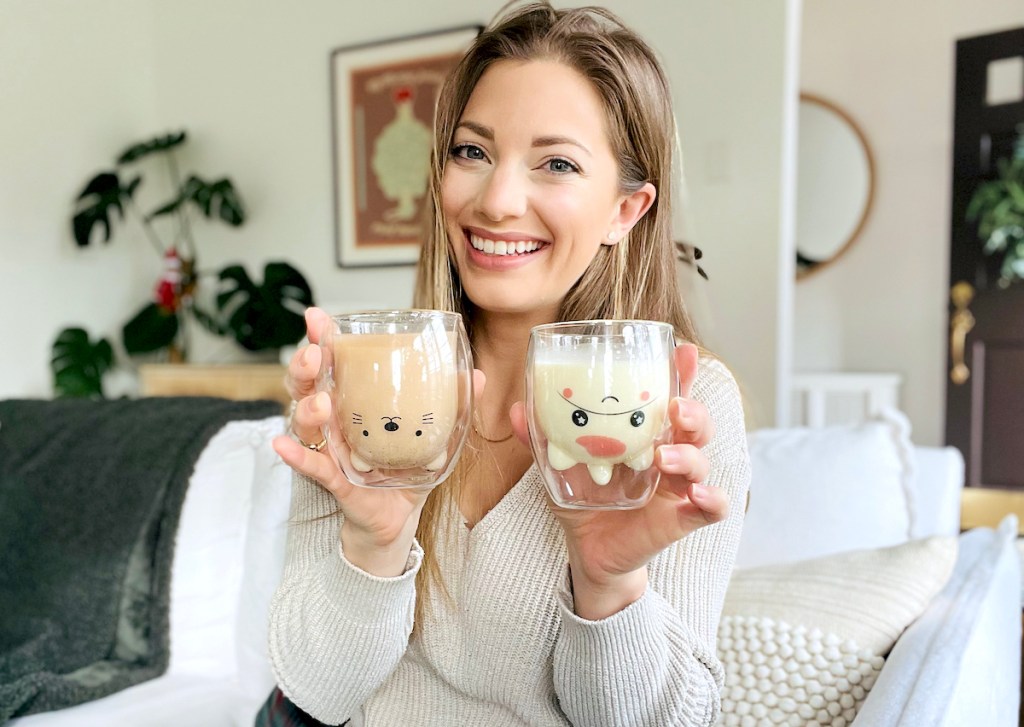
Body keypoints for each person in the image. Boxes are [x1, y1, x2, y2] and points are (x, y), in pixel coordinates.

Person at [264, 3, 750, 725]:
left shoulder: (684, 402)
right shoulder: (368, 376)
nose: (495, 201)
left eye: (556, 163)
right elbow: (315, 692)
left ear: (627, 209)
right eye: (472, 152)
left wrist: (607, 583)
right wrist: (375, 542)